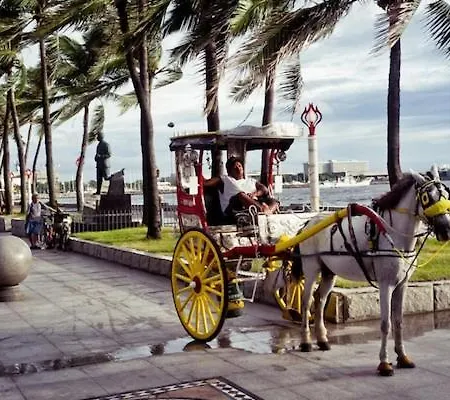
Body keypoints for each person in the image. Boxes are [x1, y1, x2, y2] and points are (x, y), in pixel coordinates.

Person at [204, 156, 278, 219]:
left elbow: (264, 189)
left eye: (239, 166)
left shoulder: (251, 181)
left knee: (273, 201)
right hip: (233, 208)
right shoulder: (224, 179)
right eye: (235, 167)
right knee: (241, 195)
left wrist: (255, 194)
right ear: (229, 171)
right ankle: (262, 212)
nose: (238, 168)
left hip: (254, 204)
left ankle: (268, 213)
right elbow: (206, 183)